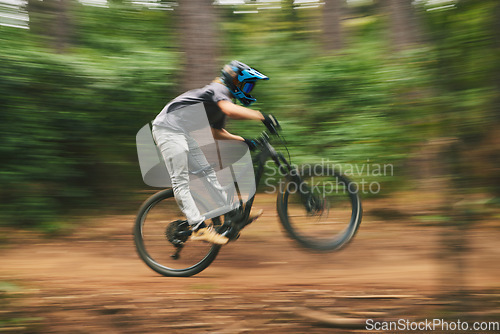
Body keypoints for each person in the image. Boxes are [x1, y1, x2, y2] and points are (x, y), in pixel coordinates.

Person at [151, 60, 279, 245]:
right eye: (247, 84)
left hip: (182, 133)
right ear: (235, 80)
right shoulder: (218, 89)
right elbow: (230, 110)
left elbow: (215, 132)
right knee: (180, 181)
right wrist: (261, 116)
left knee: (208, 173)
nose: (248, 89)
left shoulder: (221, 102)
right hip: (167, 129)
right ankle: (198, 228)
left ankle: (232, 212)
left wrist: (244, 141)